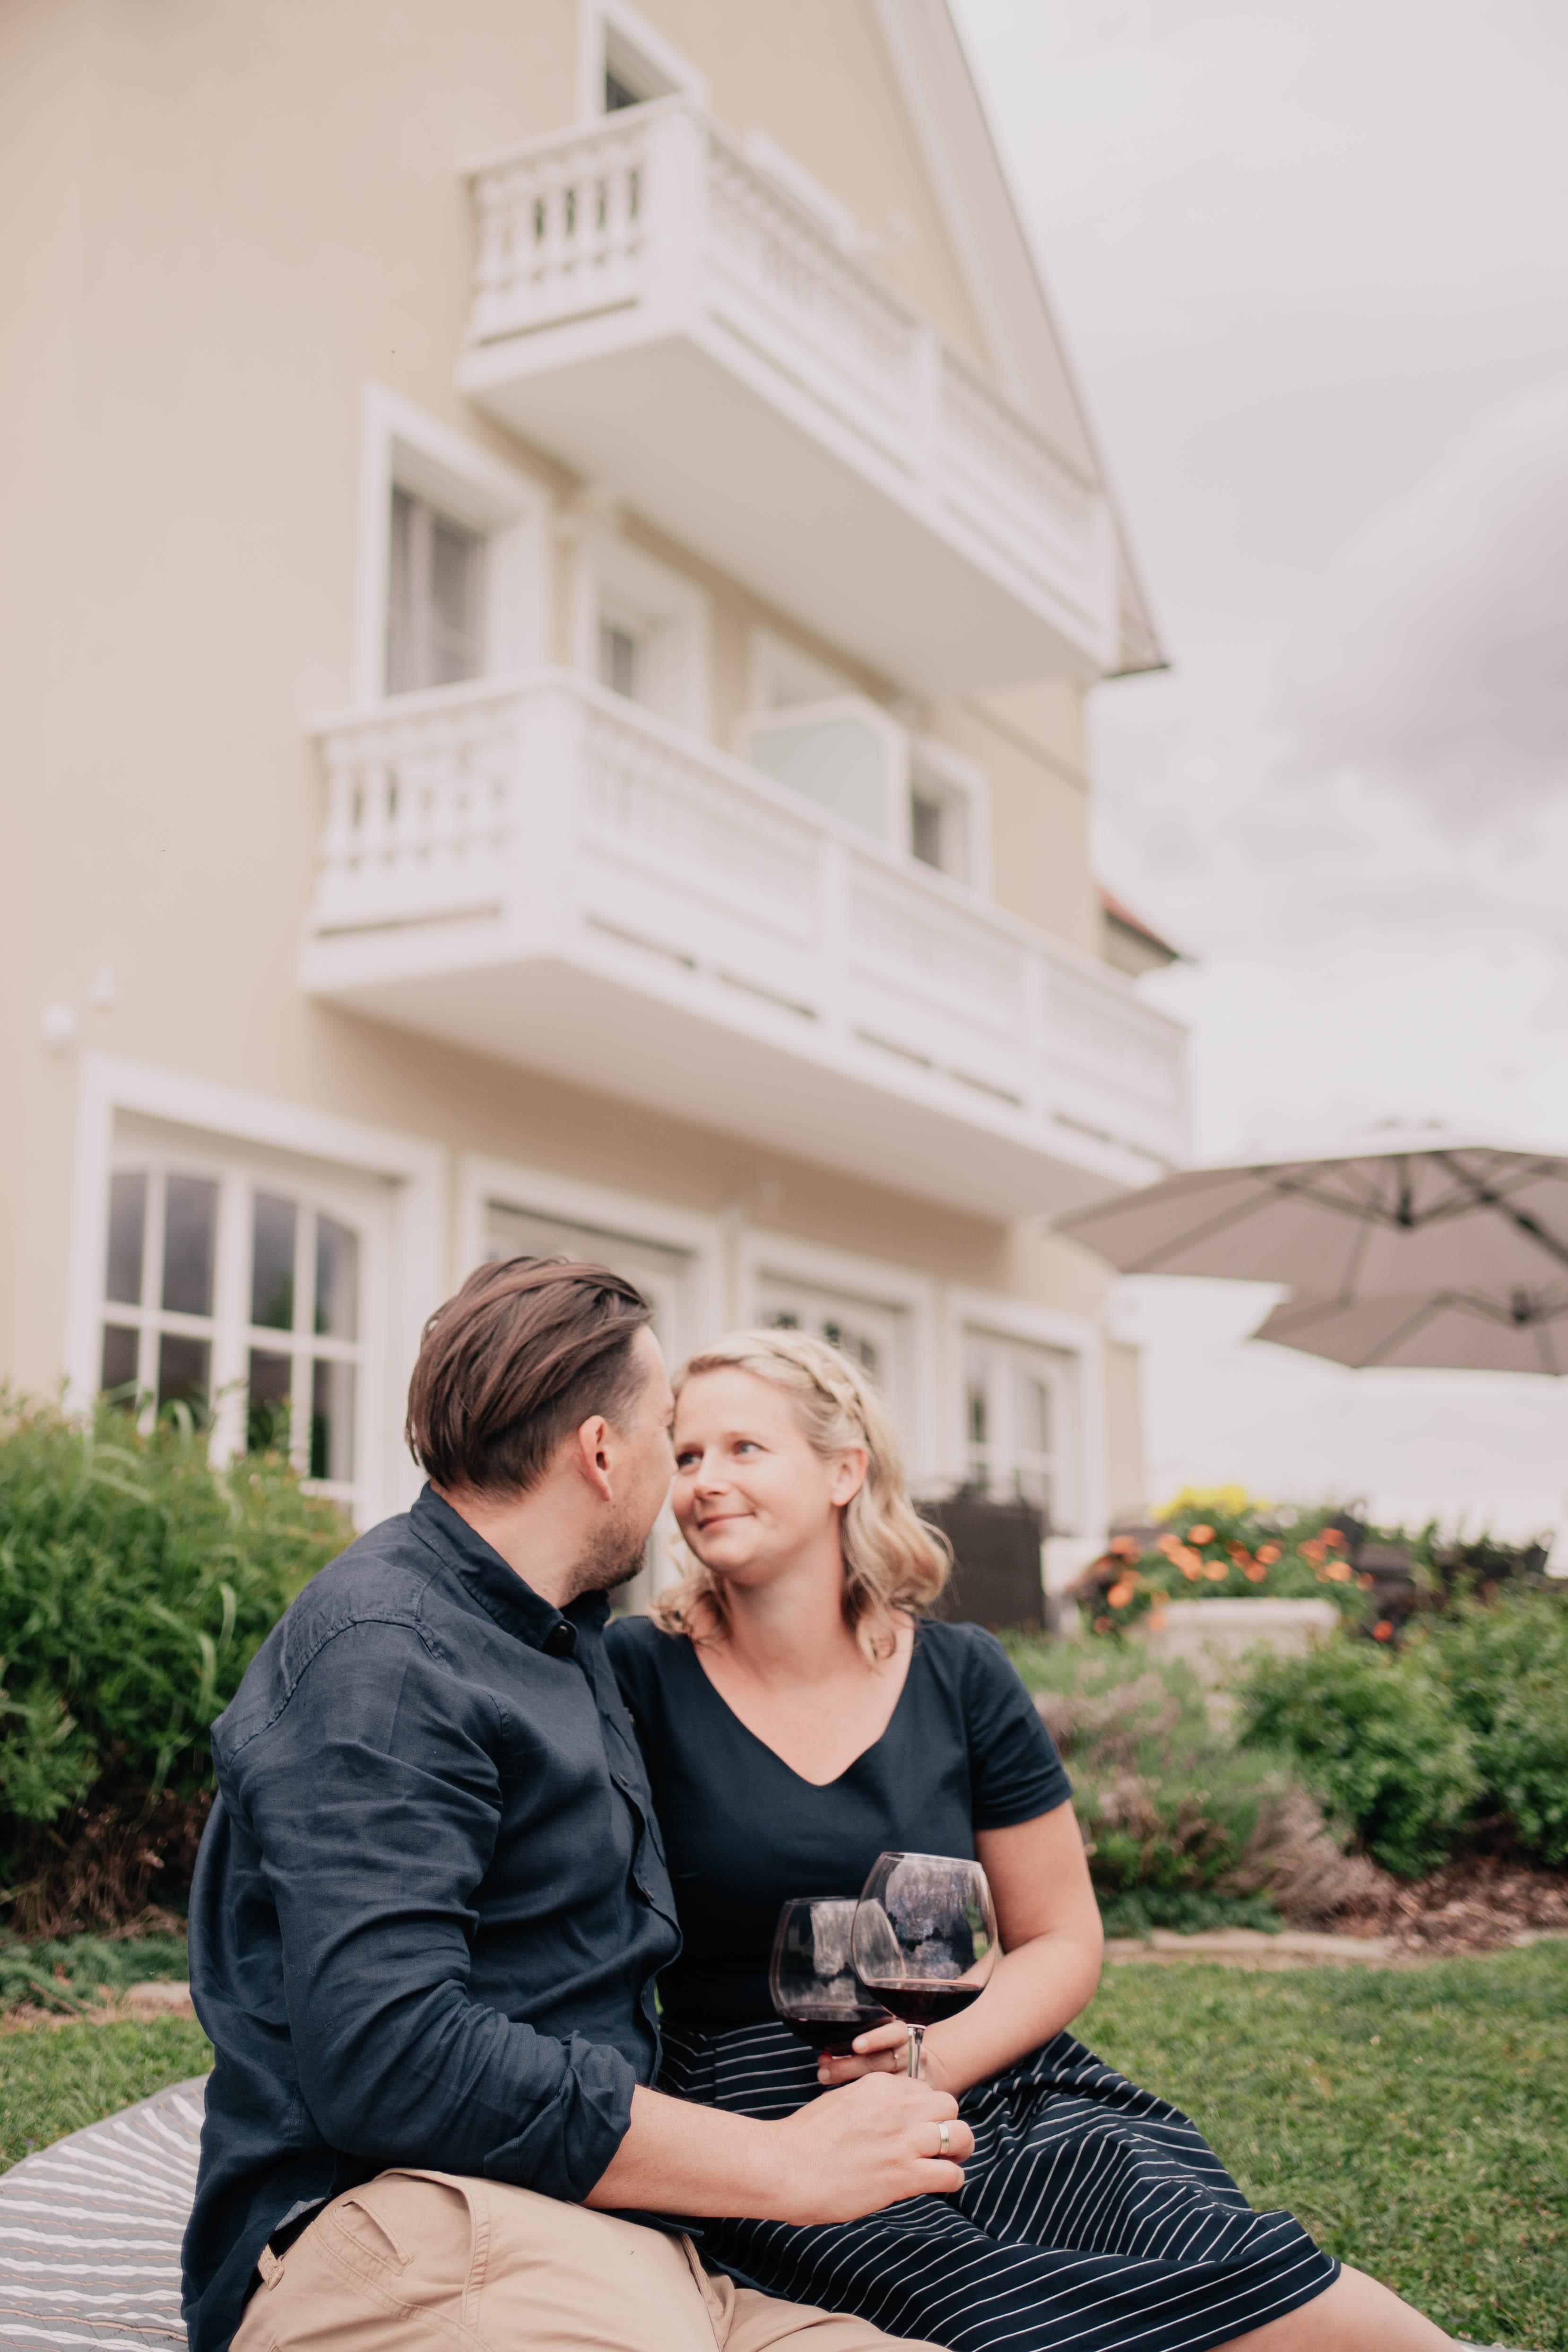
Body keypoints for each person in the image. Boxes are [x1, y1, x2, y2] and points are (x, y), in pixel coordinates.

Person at [606, 1328, 1456, 2352]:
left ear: (844, 1471)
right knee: (980, 2298)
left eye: (745, 1447)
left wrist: (931, 2063)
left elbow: (1059, 1935)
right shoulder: (635, 1672)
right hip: (763, 2106)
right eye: (687, 1454)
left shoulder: (961, 1674)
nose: (705, 1480)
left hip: (986, 2066)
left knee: (1184, 2230)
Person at [182, 1259, 971, 2352]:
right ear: (603, 1452)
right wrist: (783, 2161)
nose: (683, 1477)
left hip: (614, 2235)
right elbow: (390, 2054)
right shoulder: (387, 1659)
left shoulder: (555, 1635)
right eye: (669, 1434)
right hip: (418, 2230)